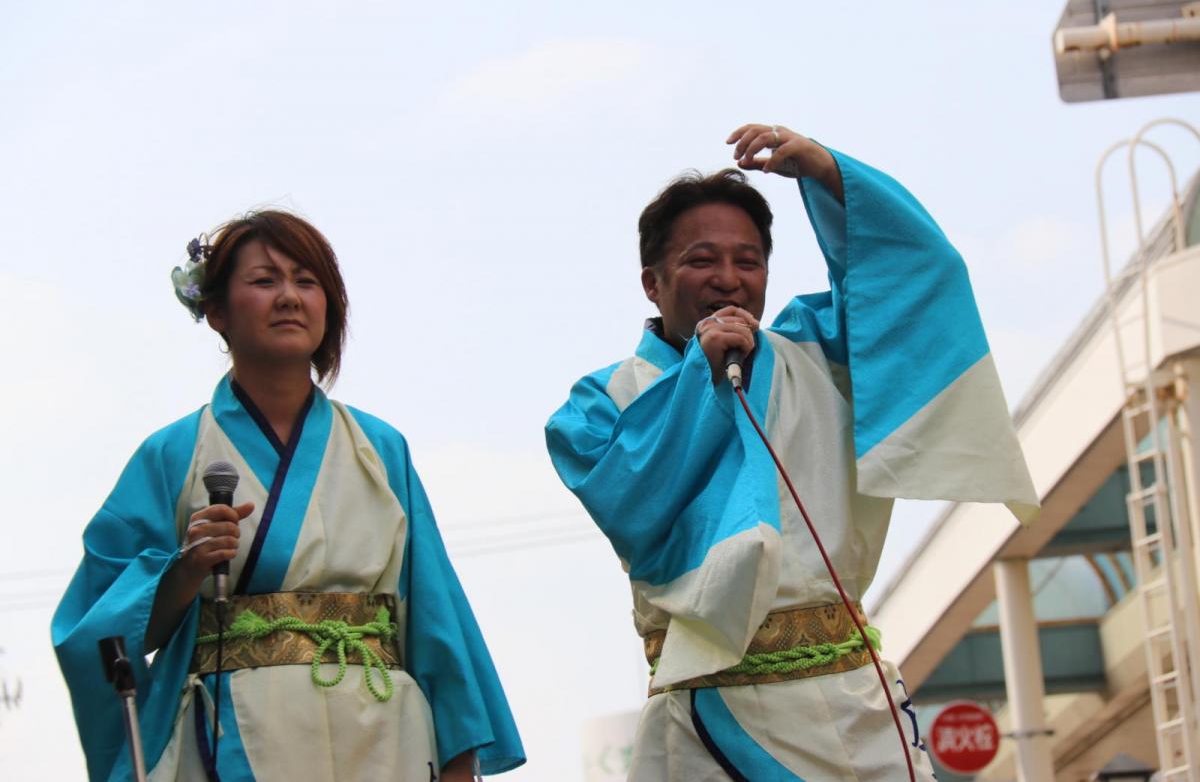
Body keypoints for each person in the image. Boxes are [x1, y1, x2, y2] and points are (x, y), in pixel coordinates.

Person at [545, 123, 1039, 781]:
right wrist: (700, 375)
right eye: (701, 259)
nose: (728, 278)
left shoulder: (818, 353)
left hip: (855, 703)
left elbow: (923, 275)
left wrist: (830, 173)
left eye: (748, 261)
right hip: (709, 716)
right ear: (651, 280)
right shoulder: (599, 402)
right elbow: (632, 503)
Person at [53, 211, 525, 781]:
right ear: (218, 312)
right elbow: (97, 633)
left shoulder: (380, 448)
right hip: (235, 732)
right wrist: (183, 571)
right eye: (264, 280)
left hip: (383, 731)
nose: (289, 298)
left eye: (306, 281)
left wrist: (457, 757)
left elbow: (433, 611)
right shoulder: (172, 453)